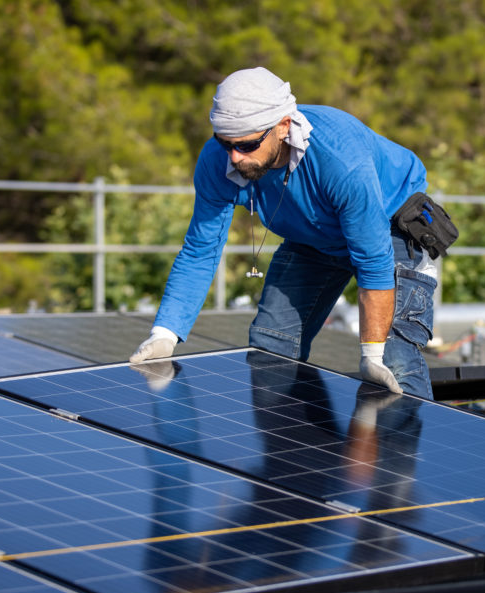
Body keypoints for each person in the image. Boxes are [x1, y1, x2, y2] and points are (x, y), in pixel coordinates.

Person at [130, 67, 455, 400]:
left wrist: (371, 355)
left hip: (388, 223)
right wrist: (165, 334)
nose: (235, 157)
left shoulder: (338, 160)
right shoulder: (219, 162)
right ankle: (296, 449)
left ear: (283, 126)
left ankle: (413, 447)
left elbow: (373, 259)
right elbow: (201, 250)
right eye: (224, 143)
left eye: (247, 144)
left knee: (392, 361)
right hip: (314, 236)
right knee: (270, 350)